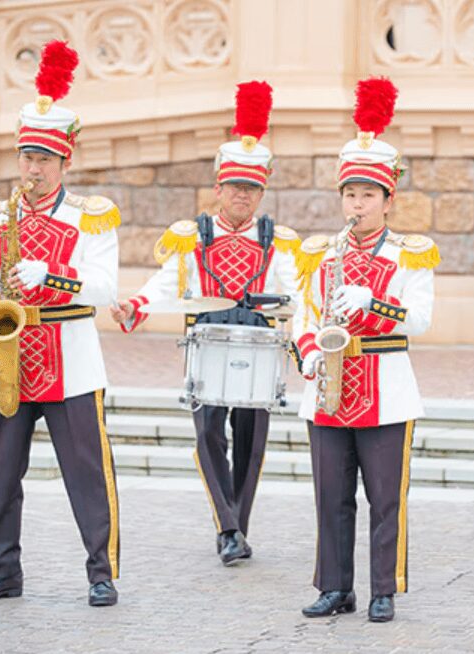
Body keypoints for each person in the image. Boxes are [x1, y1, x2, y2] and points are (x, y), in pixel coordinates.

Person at [110, 81, 299, 566]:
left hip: (258, 338)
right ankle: (229, 527)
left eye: (252, 188)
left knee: (252, 442)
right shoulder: (192, 238)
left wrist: (307, 338)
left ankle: (237, 525)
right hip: (209, 338)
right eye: (235, 187)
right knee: (208, 435)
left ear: (262, 191)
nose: (243, 196)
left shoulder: (279, 242)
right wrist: (137, 305)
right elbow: (165, 283)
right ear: (218, 188)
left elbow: (299, 294)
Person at [0, 41, 122, 607]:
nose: (33, 169)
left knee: (87, 475)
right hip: (10, 358)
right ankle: (1, 571)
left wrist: (54, 274)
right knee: (1, 476)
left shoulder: (91, 216)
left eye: (44, 160)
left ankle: (101, 572)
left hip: (71, 358)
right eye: (27, 157)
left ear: (64, 162)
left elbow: (106, 286)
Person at [294, 77, 439, 623]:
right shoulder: (321, 255)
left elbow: (421, 320)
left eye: (368, 195)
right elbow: (304, 317)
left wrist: (374, 302)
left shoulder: (411, 256)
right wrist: (307, 351)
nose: (357, 204)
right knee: (331, 498)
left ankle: (384, 587)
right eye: (350, 195)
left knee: (385, 499)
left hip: (386, 387)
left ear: (387, 200)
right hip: (328, 387)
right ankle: (335, 587)